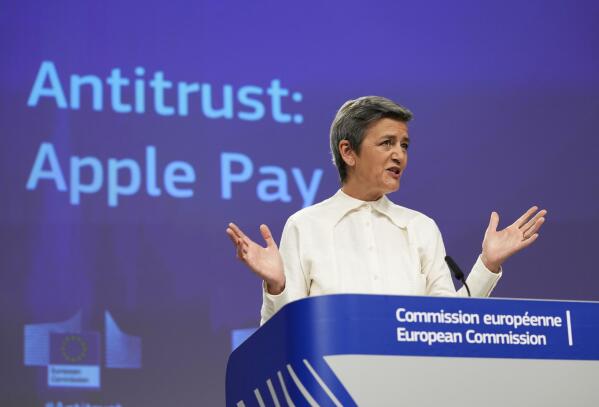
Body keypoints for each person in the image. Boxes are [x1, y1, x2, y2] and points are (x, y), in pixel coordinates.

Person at [226, 96, 546, 325]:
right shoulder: (306, 225)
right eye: (387, 143)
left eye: (404, 145)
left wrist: (487, 265)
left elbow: (450, 324)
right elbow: (281, 334)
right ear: (348, 152)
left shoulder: (420, 227)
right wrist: (277, 286)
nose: (399, 155)